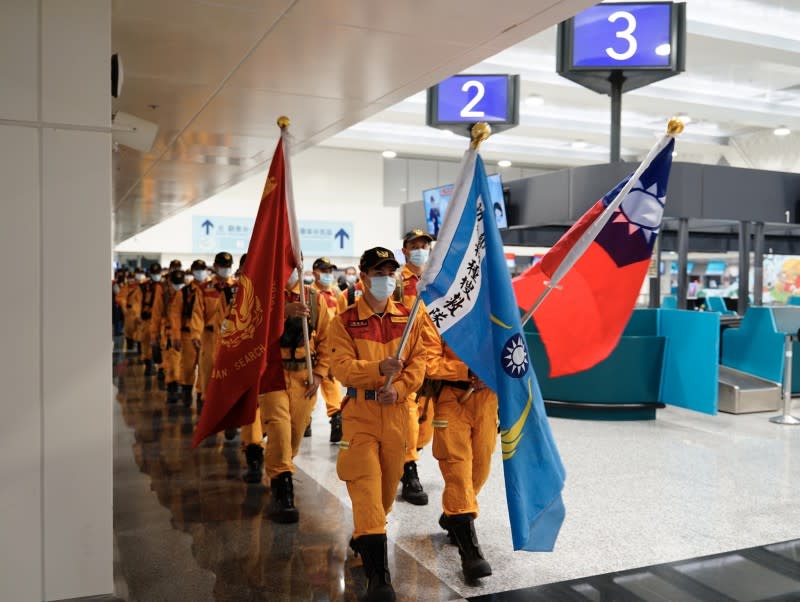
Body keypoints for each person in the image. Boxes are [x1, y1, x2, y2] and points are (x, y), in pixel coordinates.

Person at [329, 247, 428, 600]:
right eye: (379, 271)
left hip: (398, 416)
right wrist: (376, 371)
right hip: (360, 416)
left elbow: (419, 363)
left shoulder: (408, 316)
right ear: (364, 275)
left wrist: (399, 389)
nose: (386, 277)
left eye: (391, 271)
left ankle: (365, 535)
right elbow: (339, 367)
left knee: (385, 494)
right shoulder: (343, 321)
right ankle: (379, 579)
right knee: (368, 488)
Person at [256, 267, 331, 522]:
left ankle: (283, 468)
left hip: (304, 378)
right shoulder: (263, 297)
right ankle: (282, 487)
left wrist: (320, 372)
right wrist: (281, 314)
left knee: (295, 433)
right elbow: (251, 331)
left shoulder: (312, 298)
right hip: (273, 373)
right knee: (279, 428)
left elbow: (327, 338)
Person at [427, 339, 496, 581]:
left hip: (488, 400)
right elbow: (429, 363)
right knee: (457, 469)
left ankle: (452, 516)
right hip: (451, 398)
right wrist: (465, 371)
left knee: (480, 469)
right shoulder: (440, 311)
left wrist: (491, 374)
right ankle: (471, 554)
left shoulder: (498, 312)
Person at [398, 228, 436, 506]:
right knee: (410, 416)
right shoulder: (397, 282)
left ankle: (407, 455)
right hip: (408, 361)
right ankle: (409, 470)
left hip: (435, 362)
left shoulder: (438, 280)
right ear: (405, 250)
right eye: (415, 245)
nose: (420, 250)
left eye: (424, 245)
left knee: (427, 421)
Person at [193, 252, 235, 413]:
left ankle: (227, 409)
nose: (226, 270)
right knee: (207, 370)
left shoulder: (236, 288)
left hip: (229, 339)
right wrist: (196, 334)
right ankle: (206, 405)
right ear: (216, 267)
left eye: (228, 267)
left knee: (228, 374)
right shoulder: (204, 288)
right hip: (209, 336)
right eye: (223, 267)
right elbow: (197, 312)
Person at [311, 257, 345, 443]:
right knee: (308, 383)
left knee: (330, 381)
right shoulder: (308, 294)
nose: (327, 275)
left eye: (329, 271)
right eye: (324, 271)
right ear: (315, 272)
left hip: (331, 346)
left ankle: (336, 417)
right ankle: (306, 419)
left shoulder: (336, 295)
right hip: (311, 346)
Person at [169, 260, 205, 407]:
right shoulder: (184, 292)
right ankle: (186, 393)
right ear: (192, 271)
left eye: (202, 269)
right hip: (187, 334)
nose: (200, 272)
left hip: (206, 335)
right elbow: (176, 315)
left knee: (205, 367)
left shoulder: (211, 289)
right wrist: (175, 336)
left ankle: (202, 395)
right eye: (197, 269)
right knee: (188, 366)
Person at [130, 263, 165, 376]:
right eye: (154, 273)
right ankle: (148, 365)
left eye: (157, 273)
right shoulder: (143, 287)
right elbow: (136, 302)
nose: (156, 275)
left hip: (161, 320)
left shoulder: (165, 286)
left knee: (161, 344)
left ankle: (162, 367)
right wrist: (137, 315)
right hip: (146, 319)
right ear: (150, 273)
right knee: (146, 343)